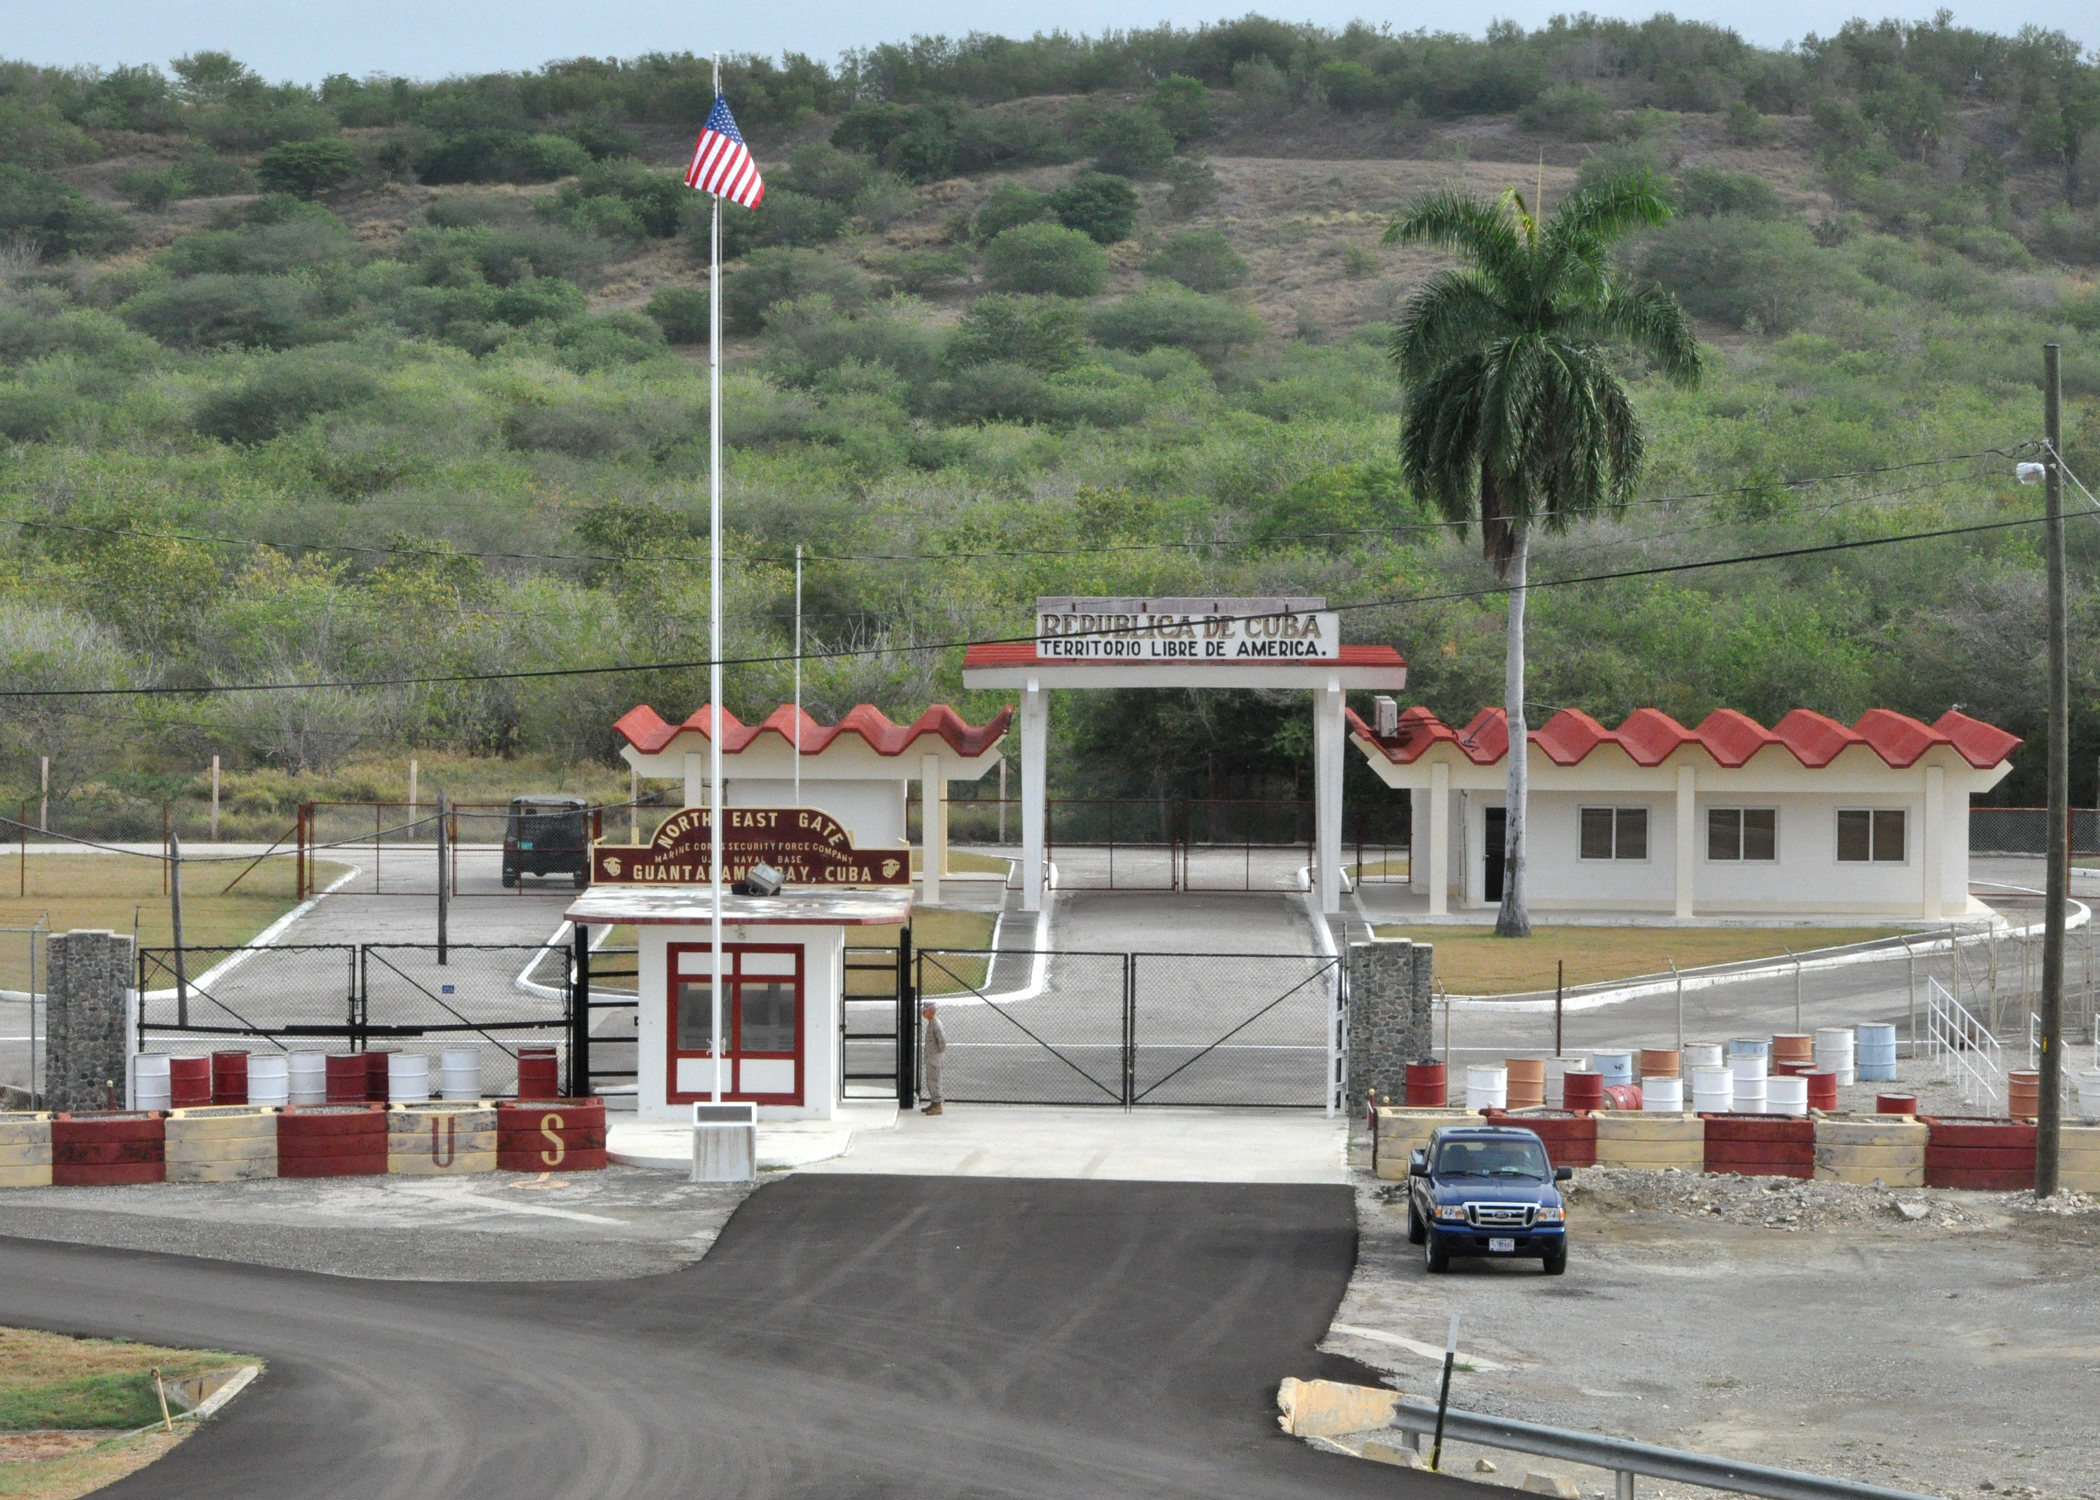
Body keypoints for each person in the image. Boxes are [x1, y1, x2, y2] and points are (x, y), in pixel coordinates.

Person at [920, 1000, 946, 1115]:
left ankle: (938, 1105)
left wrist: (937, 1054)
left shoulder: (936, 1024)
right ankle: (934, 1103)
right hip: (931, 1058)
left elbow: (942, 1041)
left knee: (935, 1081)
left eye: (925, 1011)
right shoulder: (931, 1023)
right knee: (930, 1081)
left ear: (931, 1011)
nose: (923, 1013)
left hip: (934, 1058)